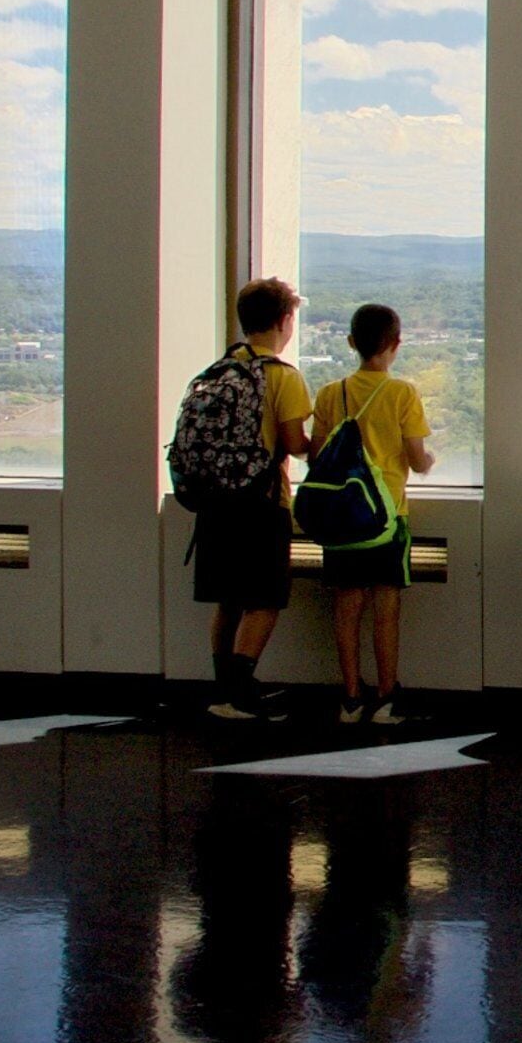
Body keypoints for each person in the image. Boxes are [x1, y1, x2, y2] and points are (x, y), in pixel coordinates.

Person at [193, 279, 317, 721]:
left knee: (229, 599)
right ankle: (239, 694)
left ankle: (222, 686)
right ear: (285, 321)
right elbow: (294, 443)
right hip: (261, 504)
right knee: (264, 599)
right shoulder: (282, 376)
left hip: (215, 503)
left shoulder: (221, 369)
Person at [310, 302, 434, 726]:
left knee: (346, 609)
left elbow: (317, 456)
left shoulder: (330, 393)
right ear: (396, 344)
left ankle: (349, 698)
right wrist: (430, 461)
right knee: (386, 609)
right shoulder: (402, 394)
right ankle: (385, 698)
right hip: (388, 521)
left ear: (350, 343)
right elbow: (417, 460)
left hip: (342, 522)